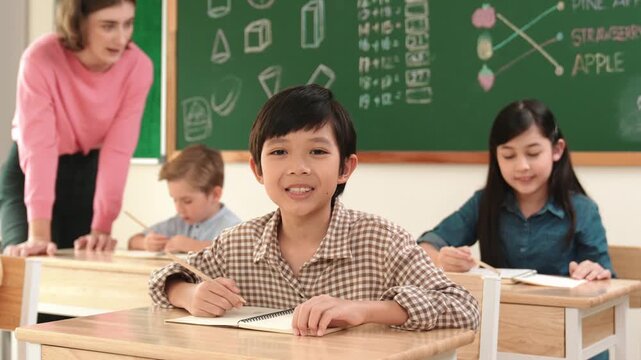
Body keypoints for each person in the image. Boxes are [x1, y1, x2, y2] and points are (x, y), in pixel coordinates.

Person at [149, 84, 480, 336]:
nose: (298, 168)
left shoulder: (382, 241)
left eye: (317, 151)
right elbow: (162, 281)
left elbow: (464, 307)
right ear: (257, 169)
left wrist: (366, 310)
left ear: (345, 168)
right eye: (279, 152)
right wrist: (189, 293)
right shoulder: (237, 244)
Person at [0, 0, 153, 256]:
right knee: (24, 263)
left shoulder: (138, 66)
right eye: (108, 26)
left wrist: (102, 229)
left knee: (81, 263)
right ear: (78, 24)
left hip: (87, 171)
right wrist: (38, 234)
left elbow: (118, 152)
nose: (121, 37)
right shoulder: (40, 59)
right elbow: (39, 149)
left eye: (128, 24)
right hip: (31, 170)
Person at [418, 99, 613, 281]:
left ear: (557, 150)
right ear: (496, 157)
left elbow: (606, 279)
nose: (522, 166)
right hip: (499, 315)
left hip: (559, 316)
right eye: (509, 156)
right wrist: (440, 260)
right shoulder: (484, 203)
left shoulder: (583, 210)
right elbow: (425, 245)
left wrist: (594, 272)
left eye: (533, 153)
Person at [128, 145, 241, 253]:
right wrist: (145, 243)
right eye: (175, 200)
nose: (178, 209)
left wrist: (192, 246)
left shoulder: (233, 228)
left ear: (215, 194)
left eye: (187, 201)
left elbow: (237, 252)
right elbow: (132, 242)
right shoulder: (178, 223)